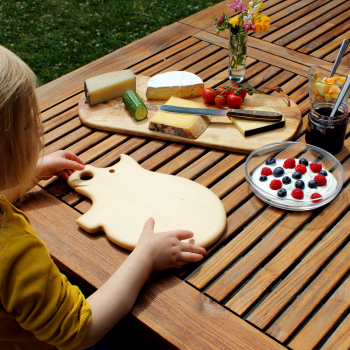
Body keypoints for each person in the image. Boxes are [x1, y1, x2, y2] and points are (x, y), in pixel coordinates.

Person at [0, 45, 206, 350]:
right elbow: (81, 329)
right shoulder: (13, 251)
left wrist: (27, 174)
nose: (39, 130)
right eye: (29, 125)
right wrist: (145, 258)